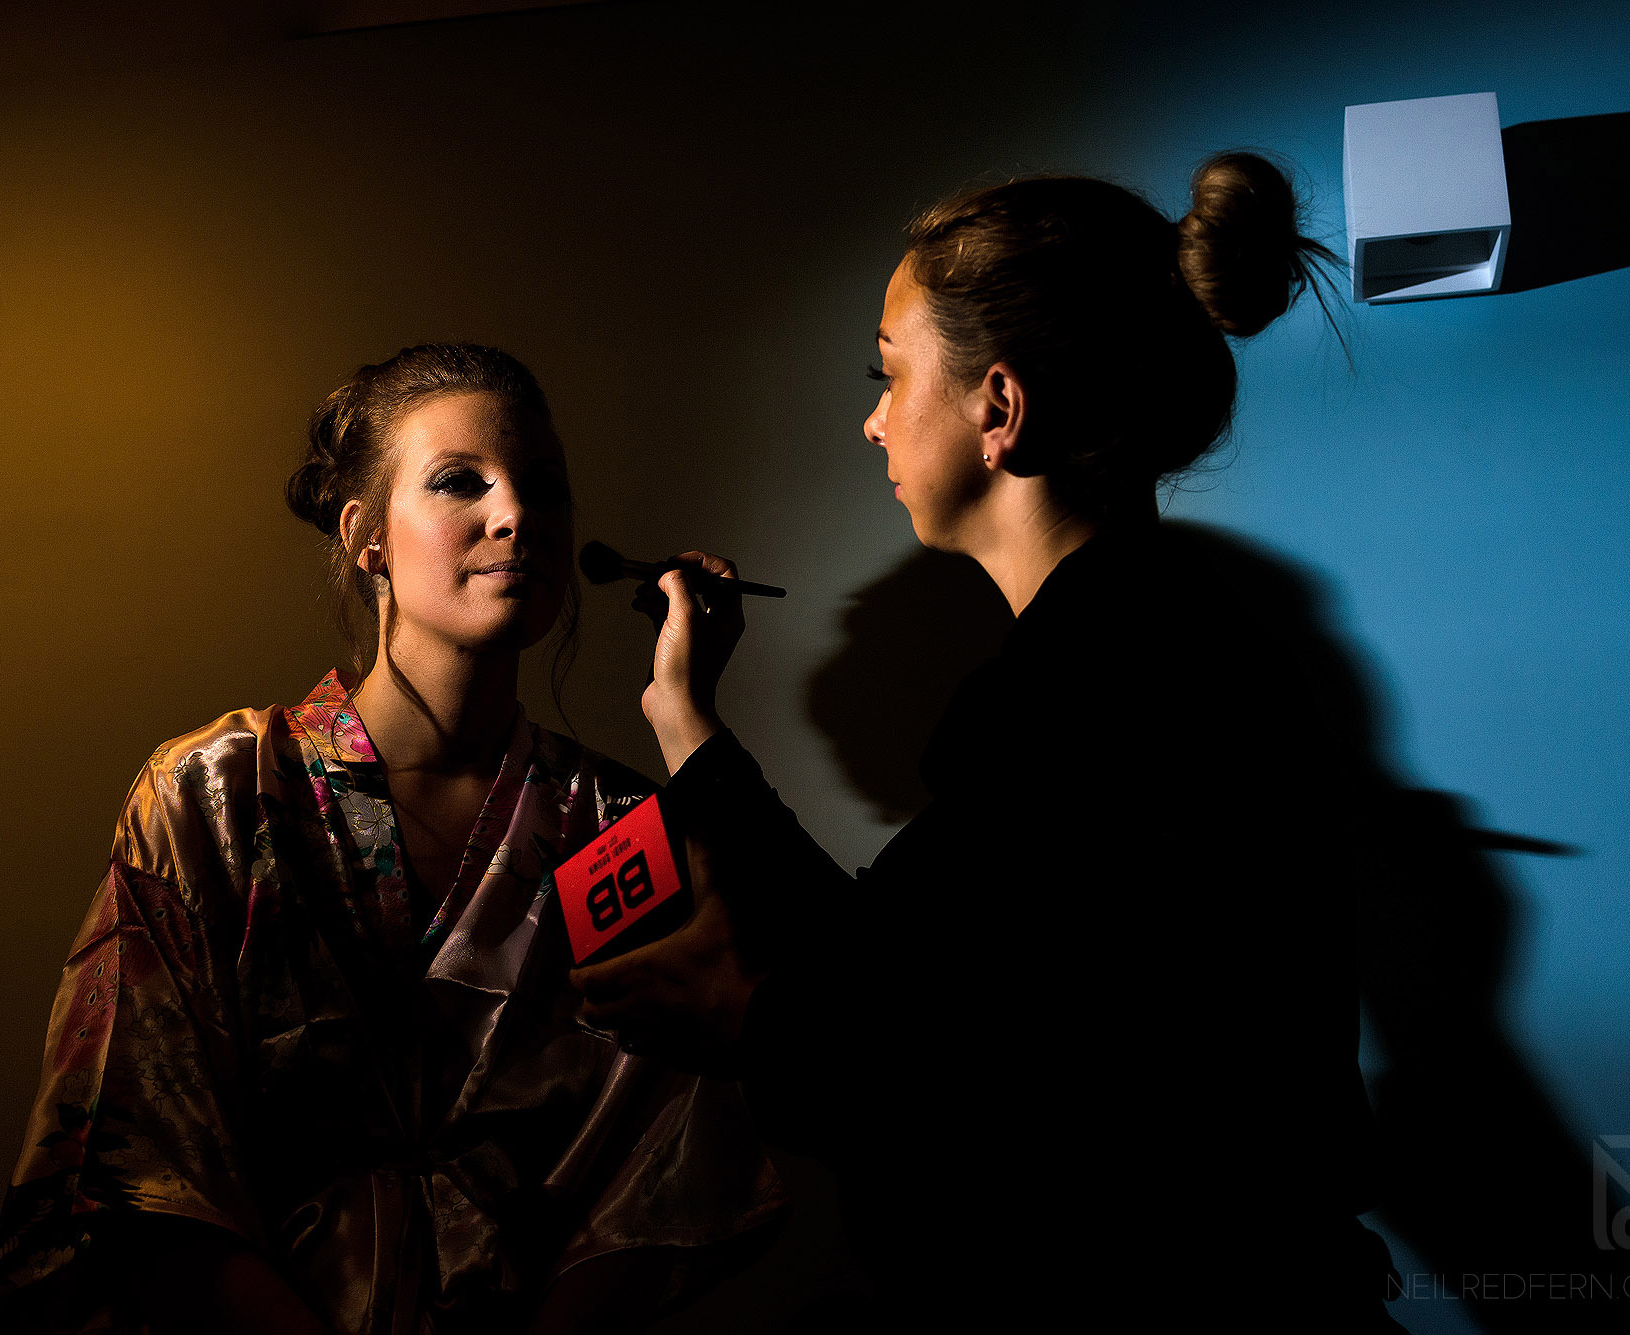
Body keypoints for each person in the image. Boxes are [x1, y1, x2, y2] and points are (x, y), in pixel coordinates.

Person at [574, 160, 1406, 1328]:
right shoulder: (1148, 647)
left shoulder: (1092, 688)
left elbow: (957, 1080)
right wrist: (685, 717)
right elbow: (900, 960)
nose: (871, 416)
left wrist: (742, 1017)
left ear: (997, 409)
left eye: (889, 369)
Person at [0, 345, 784, 1335]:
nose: (516, 515)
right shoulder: (218, 792)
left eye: (543, 488)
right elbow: (123, 1140)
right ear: (367, 539)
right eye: (459, 482)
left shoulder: (616, 828)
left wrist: (682, 710)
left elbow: (672, 1156)